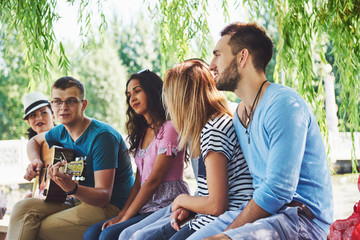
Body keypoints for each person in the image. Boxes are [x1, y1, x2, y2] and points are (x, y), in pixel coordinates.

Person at [187, 22, 333, 240]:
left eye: (218, 54)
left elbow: (278, 189)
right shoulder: (239, 114)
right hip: (266, 215)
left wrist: (227, 234)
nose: (211, 64)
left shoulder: (283, 103)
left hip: (301, 220)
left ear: (242, 57)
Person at [119, 59, 254, 240]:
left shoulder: (214, 130)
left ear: (184, 98)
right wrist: (188, 206)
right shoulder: (208, 127)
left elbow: (216, 205)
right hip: (207, 213)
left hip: (226, 216)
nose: (168, 105)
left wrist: (181, 200)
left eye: (170, 98)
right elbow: (208, 193)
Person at [7, 76, 135, 240]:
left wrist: (71, 188)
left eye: (71, 101)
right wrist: (36, 161)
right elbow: (33, 141)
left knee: (39, 227)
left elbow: (104, 197)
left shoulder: (102, 137)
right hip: (78, 199)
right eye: (57, 101)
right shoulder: (61, 131)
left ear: (84, 105)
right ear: (51, 105)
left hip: (111, 208)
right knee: (22, 208)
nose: (63, 107)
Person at [83, 70, 189, 240]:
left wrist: (123, 219)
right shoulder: (142, 133)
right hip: (146, 206)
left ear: (152, 91)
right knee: (91, 234)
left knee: (108, 235)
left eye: (137, 91)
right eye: (128, 94)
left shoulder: (169, 128)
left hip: (166, 204)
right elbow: (139, 181)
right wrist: (121, 215)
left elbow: (153, 181)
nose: (132, 98)